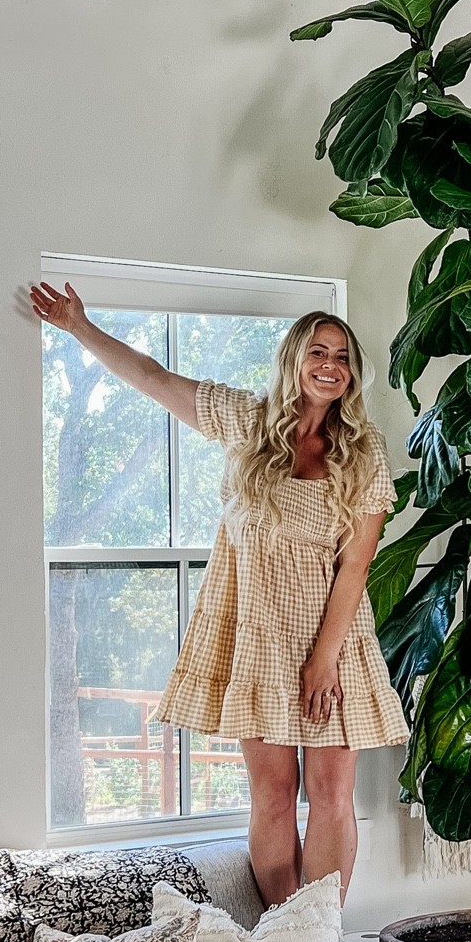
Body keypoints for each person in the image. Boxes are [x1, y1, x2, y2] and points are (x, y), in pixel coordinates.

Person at [29, 283, 407, 906]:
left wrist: (323, 660)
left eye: (342, 357)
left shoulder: (364, 455)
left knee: (333, 794)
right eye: (318, 351)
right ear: (293, 360)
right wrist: (80, 327)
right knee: (273, 797)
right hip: (257, 639)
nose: (330, 366)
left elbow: (356, 566)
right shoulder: (246, 422)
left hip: (333, 642)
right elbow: (153, 377)